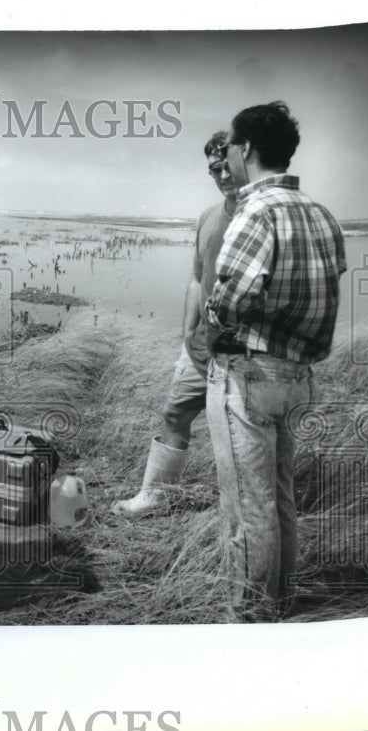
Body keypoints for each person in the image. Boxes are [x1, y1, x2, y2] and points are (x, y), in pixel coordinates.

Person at [205, 101, 346, 622]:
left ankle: (251, 618)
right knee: (280, 497)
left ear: (244, 149)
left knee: (249, 507)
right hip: (299, 379)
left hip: (249, 374)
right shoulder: (321, 214)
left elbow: (227, 302)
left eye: (233, 151)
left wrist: (214, 330)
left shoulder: (255, 213)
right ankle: (279, 606)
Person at [111, 131, 239, 519]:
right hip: (201, 346)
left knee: (237, 432)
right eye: (214, 168)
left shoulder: (259, 218)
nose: (221, 175)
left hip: (246, 352)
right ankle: (154, 497)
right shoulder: (208, 217)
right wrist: (187, 333)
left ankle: (237, 511)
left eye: (227, 165)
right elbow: (198, 278)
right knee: (174, 415)